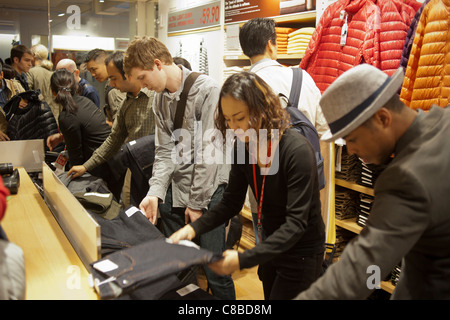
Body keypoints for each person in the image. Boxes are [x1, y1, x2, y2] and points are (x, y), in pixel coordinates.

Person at [294, 64, 450, 300]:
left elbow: (358, 271)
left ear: (383, 118)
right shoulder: (444, 122)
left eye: (352, 139)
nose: (352, 151)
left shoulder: (406, 179)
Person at [169, 71, 325, 300]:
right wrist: (193, 229)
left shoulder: (296, 151)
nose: (234, 128)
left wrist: (242, 259)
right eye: (228, 119)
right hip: (270, 245)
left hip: (301, 252)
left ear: (262, 108)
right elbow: (231, 202)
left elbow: (295, 225)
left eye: (239, 118)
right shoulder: (243, 147)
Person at [124, 36, 236, 300]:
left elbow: (210, 154)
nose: (143, 86)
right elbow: (164, 152)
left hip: (210, 192)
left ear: (157, 64)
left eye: (142, 77)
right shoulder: (159, 100)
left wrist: (196, 203)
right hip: (178, 188)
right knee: (177, 263)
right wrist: (155, 192)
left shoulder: (208, 90)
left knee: (214, 267)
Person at [67, 51, 156, 206]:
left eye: (113, 78)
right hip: (134, 171)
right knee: (133, 213)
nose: (112, 85)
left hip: (158, 173)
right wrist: (86, 166)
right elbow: (113, 139)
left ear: (128, 74)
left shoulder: (157, 97)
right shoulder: (126, 104)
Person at [239, 17, 328, 136]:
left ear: (244, 50)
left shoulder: (241, 88)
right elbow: (324, 130)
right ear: (270, 44)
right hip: (307, 151)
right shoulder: (302, 77)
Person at [84, 49, 126, 126]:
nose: (93, 74)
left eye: (94, 69)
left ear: (106, 63)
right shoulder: (109, 86)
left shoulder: (114, 89)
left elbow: (121, 125)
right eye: (90, 71)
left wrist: (103, 123)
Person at [26, 44, 60, 120]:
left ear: (34, 55)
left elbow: (28, 94)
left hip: (38, 117)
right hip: (54, 115)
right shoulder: (54, 73)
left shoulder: (31, 72)